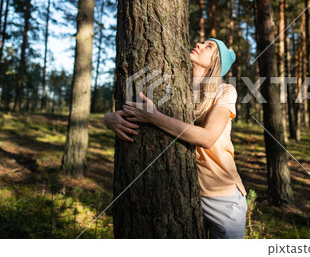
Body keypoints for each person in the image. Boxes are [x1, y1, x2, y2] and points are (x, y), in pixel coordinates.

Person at [103, 38, 247, 239]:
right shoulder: (175, 87)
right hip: (185, 193)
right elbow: (134, 106)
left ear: (216, 63)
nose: (198, 44)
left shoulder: (225, 91)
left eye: (208, 46)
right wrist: (109, 118)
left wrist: (154, 117)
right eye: (202, 42)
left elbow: (207, 138)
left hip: (221, 195)